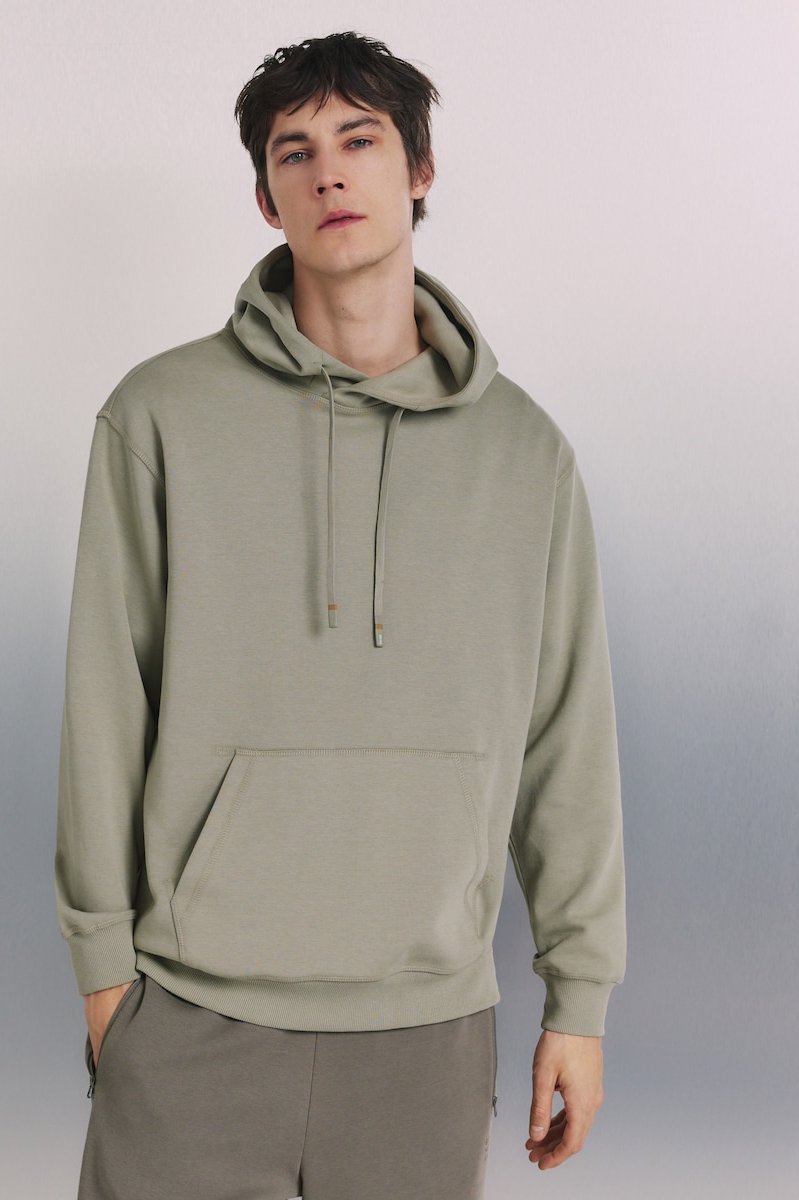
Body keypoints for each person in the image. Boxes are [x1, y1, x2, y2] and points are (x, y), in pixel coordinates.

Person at [55, 30, 625, 1200]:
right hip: (191, 1016)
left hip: (427, 1030)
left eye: (359, 140)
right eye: (294, 151)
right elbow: (106, 704)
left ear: (420, 169)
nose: (328, 173)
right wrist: (105, 974)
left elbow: (567, 740)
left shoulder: (526, 454)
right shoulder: (159, 417)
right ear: (267, 201)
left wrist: (581, 1000)